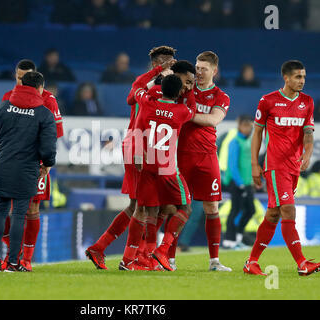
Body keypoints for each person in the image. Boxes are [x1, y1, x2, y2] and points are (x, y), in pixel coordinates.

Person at [85, 46, 177, 270]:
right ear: (156, 65)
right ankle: (133, 258)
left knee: (138, 205)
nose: (169, 66)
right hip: (140, 148)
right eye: (164, 62)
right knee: (145, 207)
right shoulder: (152, 88)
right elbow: (130, 98)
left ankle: (101, 248)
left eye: (171, 62)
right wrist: (156, 75)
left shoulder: (159, 88)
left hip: (143, 147)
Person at [245, 60, 320, 276]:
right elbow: (258, 133)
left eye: (304, 77)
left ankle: (251, 262)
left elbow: (308, 134)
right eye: (298, 77)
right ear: (286, 78)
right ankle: (302, 263)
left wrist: (307, 153)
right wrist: (254, 164)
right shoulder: (268, 101)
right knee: (288, 209)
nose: (302, 81)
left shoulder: (307, 102)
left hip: (293, 167)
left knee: (273, 214)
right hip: (275, 165)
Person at [120, 74, 194, 271]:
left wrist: (157, 75)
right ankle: (162, 250)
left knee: (151, 212)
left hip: (147, 164)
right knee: (185, 209)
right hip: (168, 168)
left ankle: (147, 259)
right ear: (179, 92)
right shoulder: (181, 111)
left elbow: (137, 88)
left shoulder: (147, 103)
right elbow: (192, 110)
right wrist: (191, 90)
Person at [0, 71, 57, 272]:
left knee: (0, 213)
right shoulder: (44, 113)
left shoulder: (3, 106)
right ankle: (13, 262)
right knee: (19, 215)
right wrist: (47, 164)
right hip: (27, 170)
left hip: (3, 166)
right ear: (39, 89)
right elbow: (48, 148)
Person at [1, 60, 64, 271]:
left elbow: (55, 133)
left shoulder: (48, 100)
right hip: (11, 160)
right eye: (18, 78)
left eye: (25, 78)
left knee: (32, 208)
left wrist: (46, 162)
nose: (22, 82)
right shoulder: (8, 97)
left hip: (36, 162)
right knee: (5, 207)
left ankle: (26, 258)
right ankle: (13, 254)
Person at [177, 51, 232, 272]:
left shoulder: (221, 96)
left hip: (207, 157)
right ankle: (168, 258)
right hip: (182, 154)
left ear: (214, 71)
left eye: (204, 69)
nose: (199, 72)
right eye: (197, 68)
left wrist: (185, 113)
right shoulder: (185, 90)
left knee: (211, 207)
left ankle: (214, 261)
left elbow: (212, 120)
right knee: (177, 205)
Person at [222, 115, 255, 249]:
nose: (248, 128)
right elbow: (232, 165)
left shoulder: (249, 141)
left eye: (249, 125)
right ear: (239, 126)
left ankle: (238, 238)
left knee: (250, 210)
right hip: (237, 183)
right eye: (245, 125)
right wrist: (240, 183)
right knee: (235, 210)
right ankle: (229, 241)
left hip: (248, 183)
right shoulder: (235, 142)